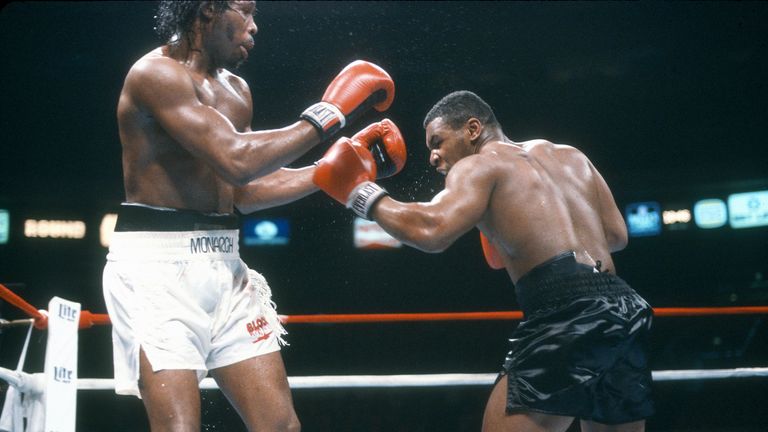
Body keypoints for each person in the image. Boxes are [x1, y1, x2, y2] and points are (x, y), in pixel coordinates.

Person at [101, 1, 398, 430]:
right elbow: (237, 158)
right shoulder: (156, 75)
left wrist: (326, 172)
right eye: (246, 12)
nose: (255, 28)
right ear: (208, 11)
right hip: (155, 271)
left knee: (280, 426)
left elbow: (241, 189)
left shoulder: (237, 91)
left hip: (224, 263)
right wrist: (329, 114)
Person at [313, 90, 654, 431]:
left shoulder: (479, 165)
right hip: (623, 307)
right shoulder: (569, 155)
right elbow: (616, 235)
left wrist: (359, 191)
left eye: (438, 142)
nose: (432, 157)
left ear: (473, 129)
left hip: (565, 312)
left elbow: (432, 229)